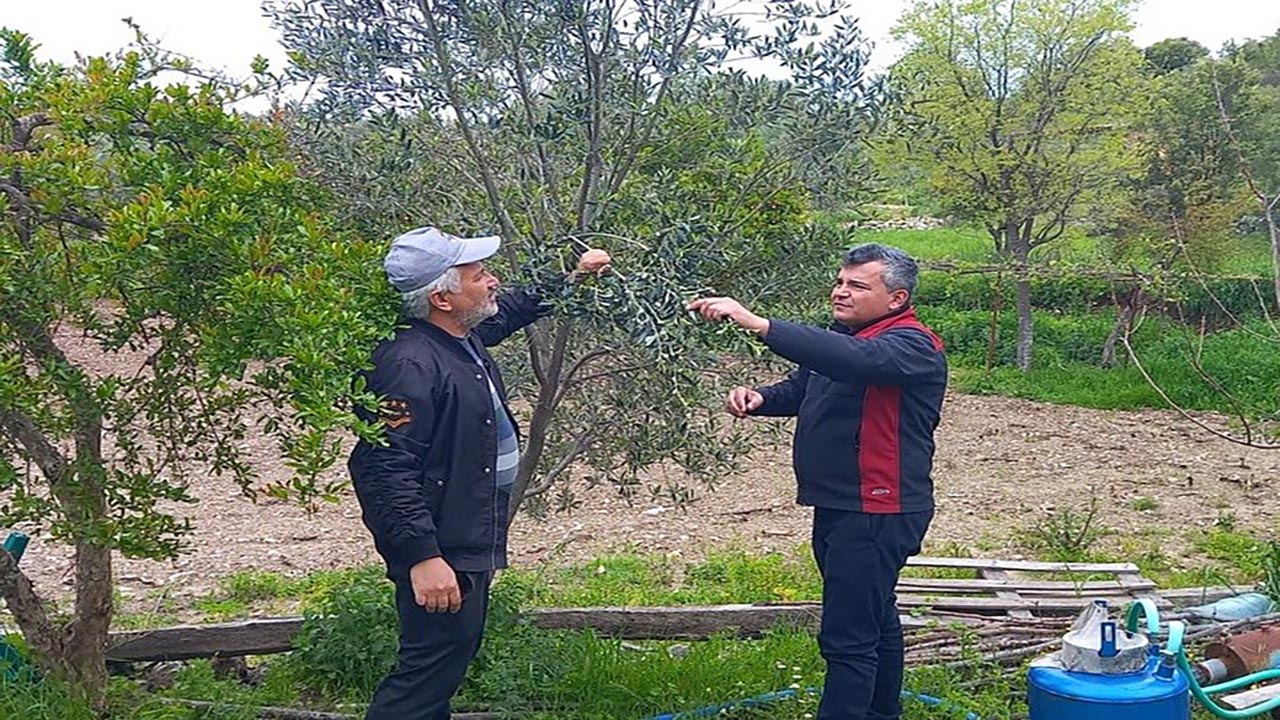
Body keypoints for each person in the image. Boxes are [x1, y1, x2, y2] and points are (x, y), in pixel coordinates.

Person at [349, 226, 610, 720]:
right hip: (441, 543)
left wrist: (570, 278)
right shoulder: (407, 364)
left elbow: (508, 310)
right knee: (426, 672)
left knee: (445, 660)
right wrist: (422, 557)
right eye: (480, 274)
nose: (492, 281)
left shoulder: (455, 338)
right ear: (442, 296)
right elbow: (382, 466)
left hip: (462, 534)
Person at [687, 243, 946, 720]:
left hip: (878, 509)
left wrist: (758, 323)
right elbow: (809, 386)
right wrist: (762, 398)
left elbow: (858, 363)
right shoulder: (848, 337)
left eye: (857, 285)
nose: (841, 292)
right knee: (875, 617)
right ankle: (881, 713)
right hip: (840, 504)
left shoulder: (911, 345)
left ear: (896, 298)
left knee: (848, 637)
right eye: (840, 282)